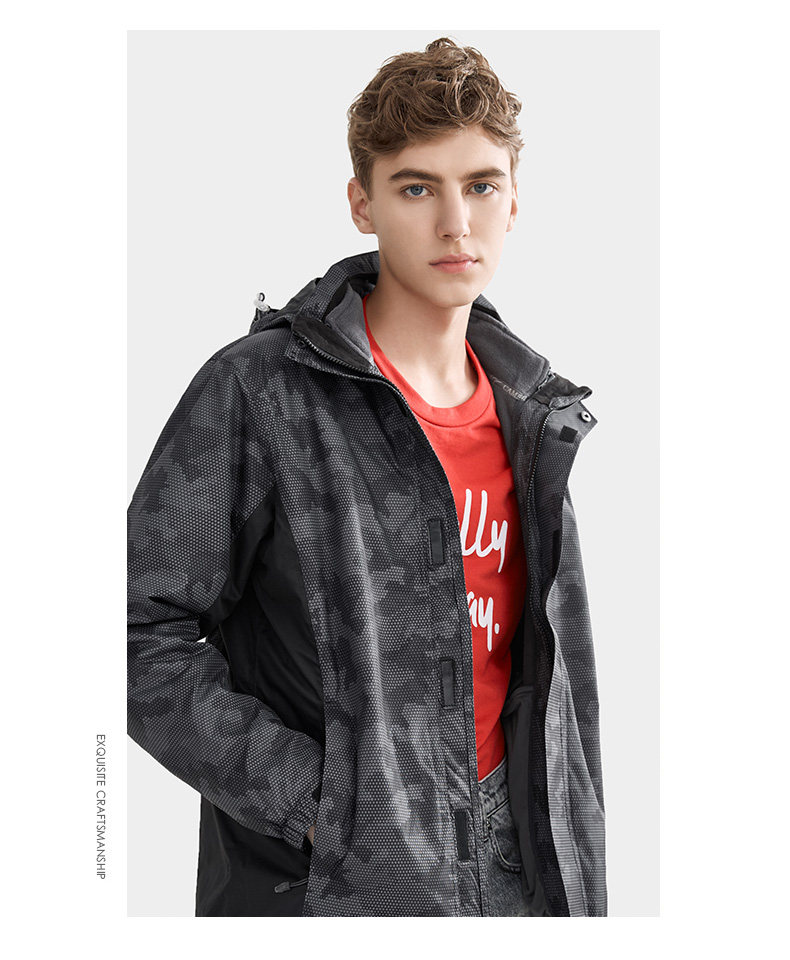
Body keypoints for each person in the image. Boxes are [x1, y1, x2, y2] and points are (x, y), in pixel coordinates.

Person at [127, 36, 607, 918]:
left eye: (481, 186)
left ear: (514, 201)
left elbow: (549, 686)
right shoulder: (262, 391)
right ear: (363, 204)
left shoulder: (535, 414)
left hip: (522, 870)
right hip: (343, 883)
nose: (455, 222)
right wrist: (320, 805)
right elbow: (127, 633)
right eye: (417, 189)